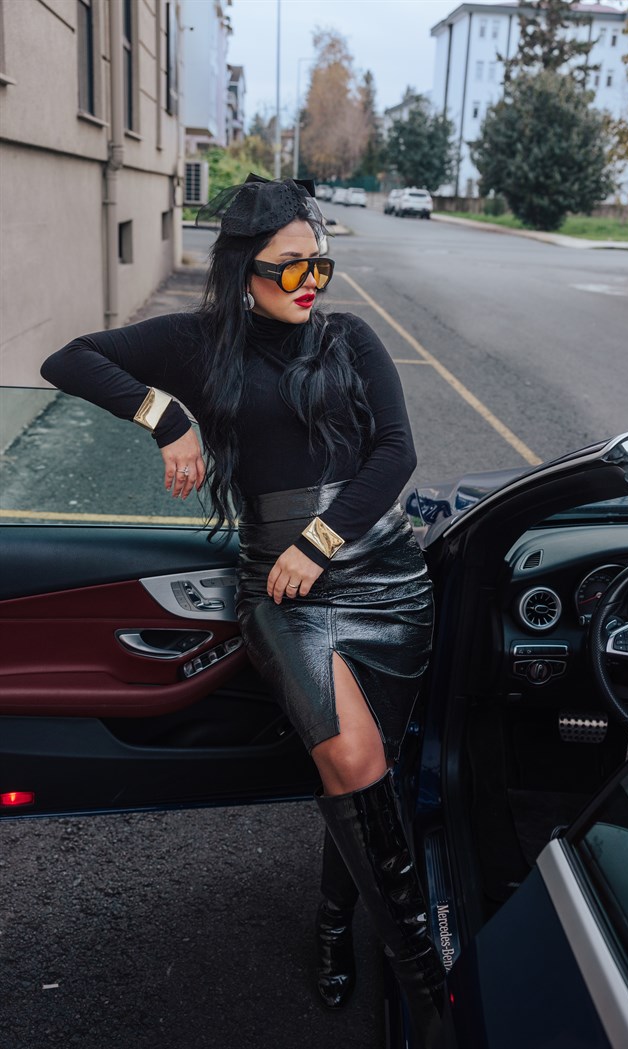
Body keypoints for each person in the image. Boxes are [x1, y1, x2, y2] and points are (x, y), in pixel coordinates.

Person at [41, 175, 447, 1048]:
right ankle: (432, 991)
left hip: (384, 577)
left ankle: (336, 923)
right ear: (242, 268)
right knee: (352, 755)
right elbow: (68, 359)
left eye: (319, 264)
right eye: (288, 266)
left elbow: (396, 453)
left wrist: (322, 541)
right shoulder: (196, 343)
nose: (310, 283)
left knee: (364, 776)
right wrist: (165, 416)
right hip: (283, 591)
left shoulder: (351, 337)